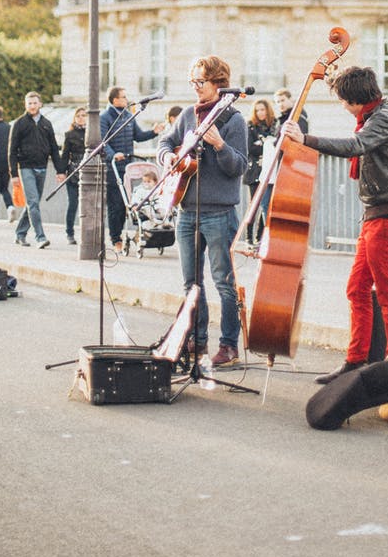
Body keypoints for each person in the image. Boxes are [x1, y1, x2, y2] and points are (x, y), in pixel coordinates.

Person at [282, 65, 388, 382]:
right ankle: (356, 361)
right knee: (357, 289)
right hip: (375, 216)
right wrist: (333, 81)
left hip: (386, 218)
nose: (341, 105)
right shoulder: (374, 114)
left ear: (355, 100)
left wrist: (305, 139)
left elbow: (354, 146)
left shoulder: (382, 121)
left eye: (342, 100)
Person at [158, 55, 248, 368]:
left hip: (219, 213)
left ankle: (228, 345)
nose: (195, 88)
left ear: (218, 83)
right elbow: (165, 142)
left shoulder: (233, 120)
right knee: (190, 282)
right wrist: (167, 157)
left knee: (224, 282)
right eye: (193, 82)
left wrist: (221, 146)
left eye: (201, 82)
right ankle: (196, 338)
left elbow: (239, 167)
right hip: (186, 210)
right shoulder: (187, 115)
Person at [100, 87, 163, 252]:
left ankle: (138, 236)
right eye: (123, 96)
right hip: (114, 168)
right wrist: (113, 155)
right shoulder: (105, 117)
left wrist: (153, 132)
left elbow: (138, 136)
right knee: (116, 206)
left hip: (128, 168)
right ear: (114, 100)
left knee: (130, 205)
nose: (127, 99)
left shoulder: (129, 115)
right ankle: (115, 239)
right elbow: (102, 142)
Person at [8, 92, 65, 248]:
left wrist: (60, 170)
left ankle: (20, 233)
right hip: (25, 167)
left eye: (34, 103)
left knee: (32, 204)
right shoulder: (19, 124)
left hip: (42, 167)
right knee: (33, 202)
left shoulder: (47, 124)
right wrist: (13, 173)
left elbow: (54, 148)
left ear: (40, 104)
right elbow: (11, 150)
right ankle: (40, 237)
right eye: (29, 103)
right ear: (25, 105)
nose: (32, 106)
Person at [243, 98, 276, 247]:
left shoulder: (274, 125)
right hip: (254, 170)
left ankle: (260, 237)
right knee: (254, 205)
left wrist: (262, 144)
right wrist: (265, 144)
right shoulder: (250, 126)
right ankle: (249, 237)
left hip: (269, 170)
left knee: (267, 204)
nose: (260, 113)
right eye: (257, 110)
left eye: (262, 109)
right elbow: (250, 148)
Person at [60, 106, 87, 245]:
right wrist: (61, 172)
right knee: (73, 203)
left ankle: (87, 233)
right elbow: (64, 156)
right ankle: (69, 233)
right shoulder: (69, 135)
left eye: (84, 115)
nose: (81, 118)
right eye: (78, 116)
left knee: (89, 205)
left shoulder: (93, 133)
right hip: (74, 172)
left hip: (90, 172)